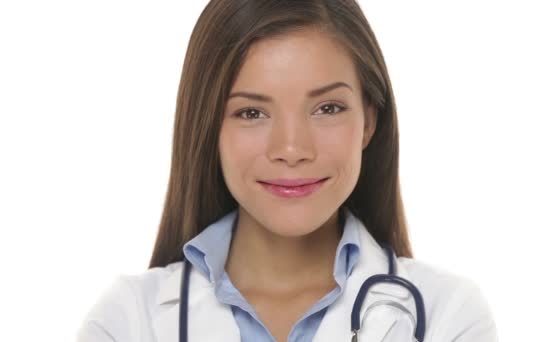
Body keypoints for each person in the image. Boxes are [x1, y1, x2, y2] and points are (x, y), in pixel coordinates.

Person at [77, 0, 498, 341]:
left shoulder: (447, 316)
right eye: (252, 112)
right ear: (208, 126)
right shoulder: (129, 321)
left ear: (368, 121)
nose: (292, 149)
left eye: (327, 108)